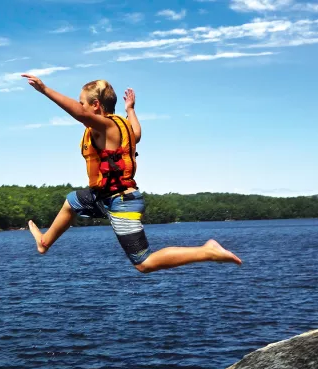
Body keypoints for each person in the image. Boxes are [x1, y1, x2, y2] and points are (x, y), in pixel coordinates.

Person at [21, 74, 242, 274]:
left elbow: (79, 114)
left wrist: (45, 90)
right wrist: (131, 110)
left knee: (144, 263)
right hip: (103, 196)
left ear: (95, 105)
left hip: (121, 202)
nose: (80, 106)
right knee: (72, 202)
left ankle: (207, 251)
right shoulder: (122, 126)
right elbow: (136, 133)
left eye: (83, 103)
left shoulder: (105, 127)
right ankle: (44, 242)